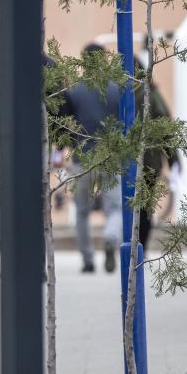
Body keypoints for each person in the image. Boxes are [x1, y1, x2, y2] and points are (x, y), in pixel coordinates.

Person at [60, 43, 123, 274]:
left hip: (81, 160)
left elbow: (65, 126)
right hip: (110, 157)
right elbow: (127, 124)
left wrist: (64, 148)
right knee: (115, 208)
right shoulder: (117, 90)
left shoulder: (74, 91)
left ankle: (87, 260)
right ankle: (110, 237)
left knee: (82, 211)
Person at [133, 57, 181, 252]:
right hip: (149, 162)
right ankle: (140, 250)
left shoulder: (116, 93)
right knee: (144, 208)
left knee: (124, 206)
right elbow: (165, 129)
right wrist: (173, 159)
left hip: (123, 162)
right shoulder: (150, 94)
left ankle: (128, 245)